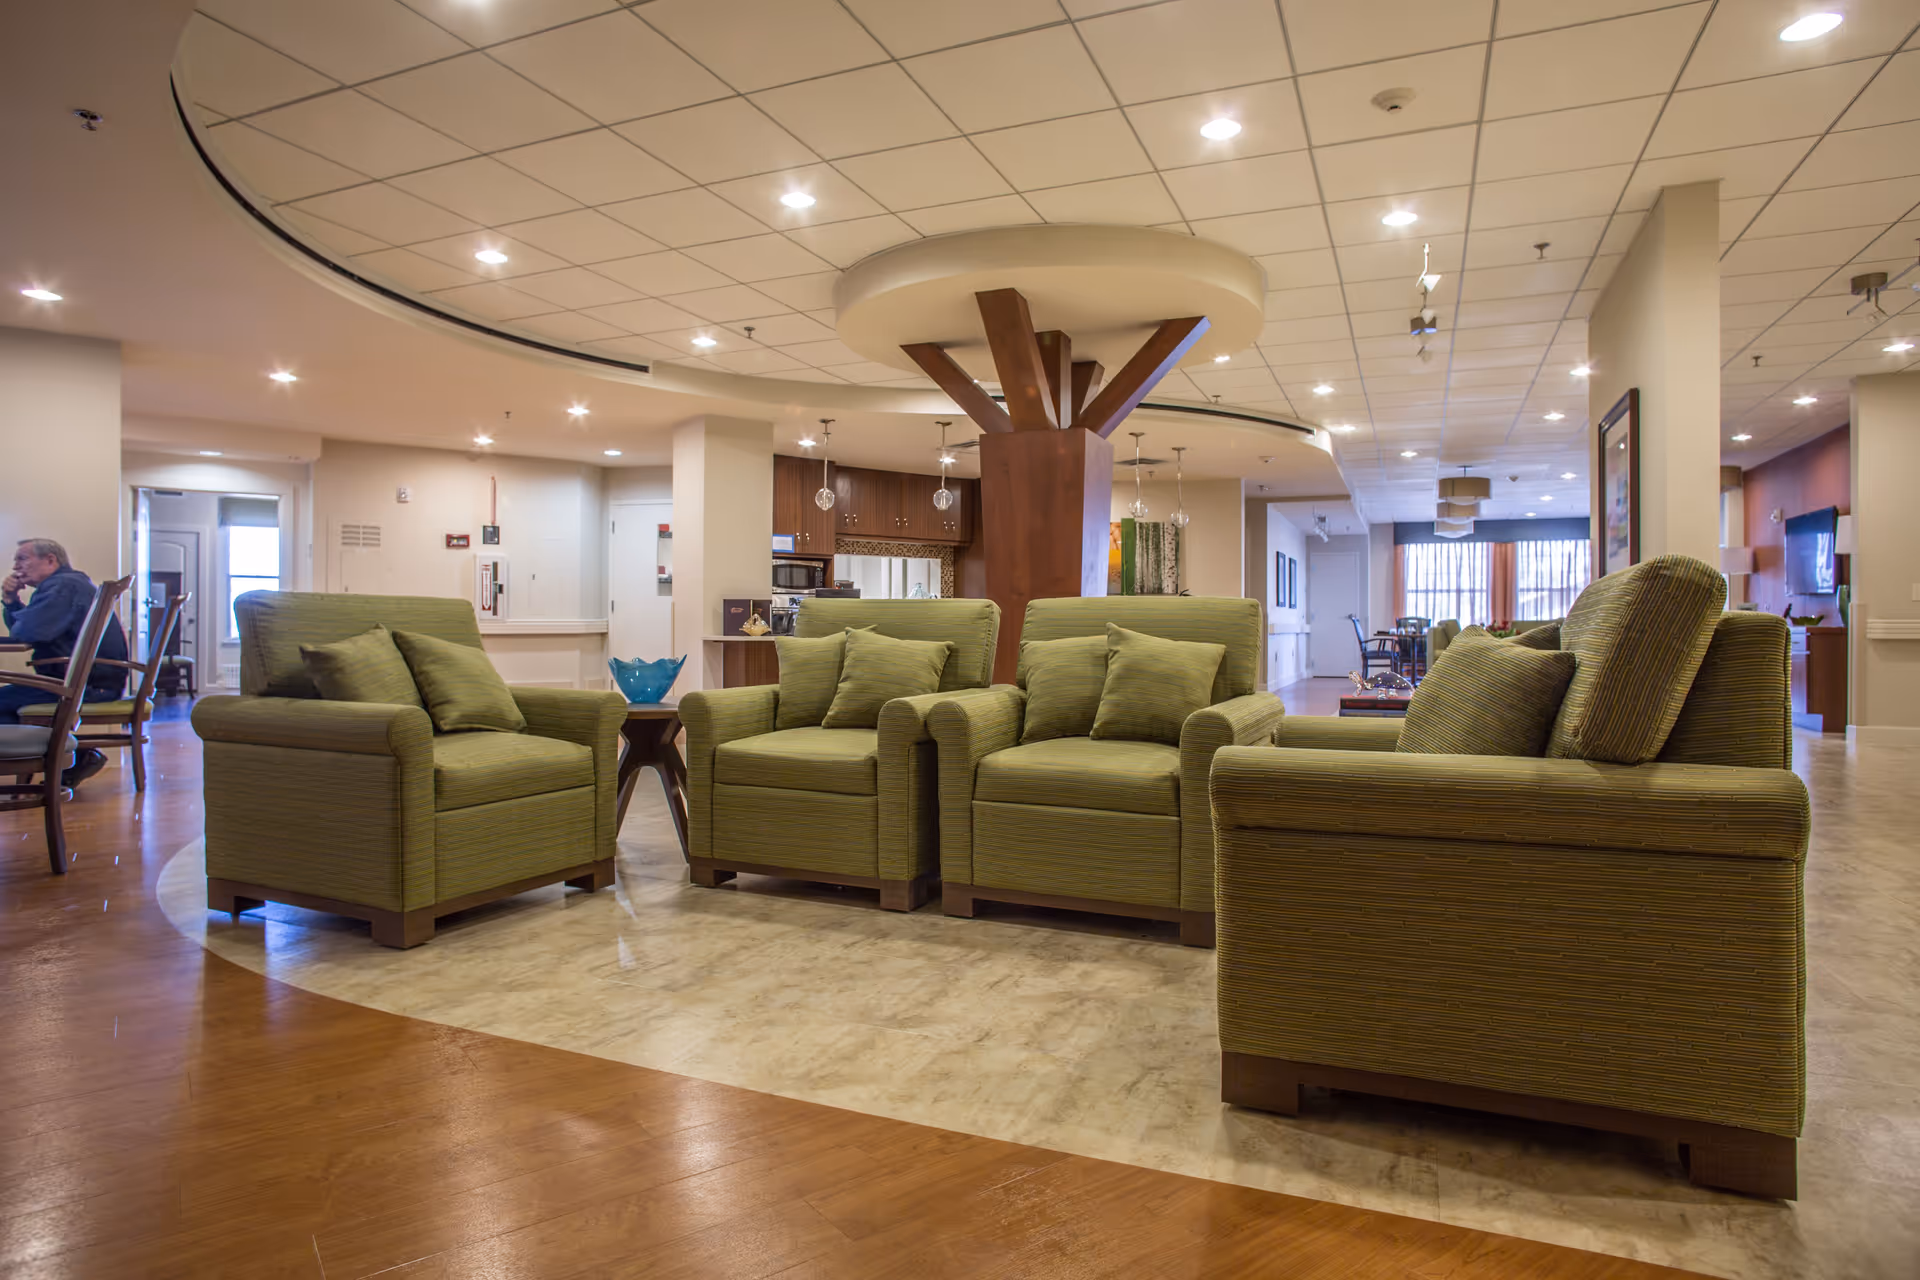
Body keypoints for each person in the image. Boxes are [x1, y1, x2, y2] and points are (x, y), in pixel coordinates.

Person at [2, 538, 129, 786]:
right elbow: (28, 629)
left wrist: (10, 601)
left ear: (50, 560)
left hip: (86, 688)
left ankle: (73, 757)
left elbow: (25, 632)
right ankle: (76, 756)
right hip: (93, 683)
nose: (16, 566)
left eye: (22, 558)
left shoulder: (61, 587)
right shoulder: (67, 584)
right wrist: (12, 601)